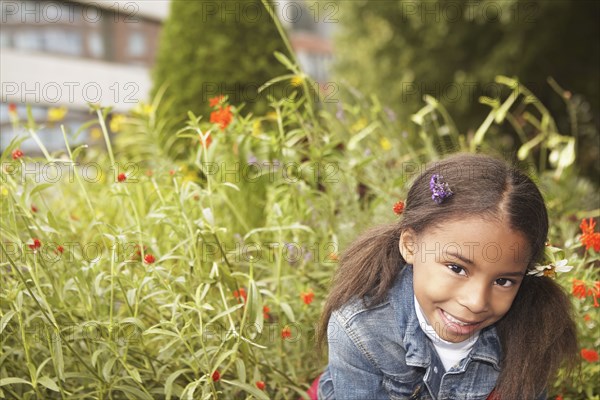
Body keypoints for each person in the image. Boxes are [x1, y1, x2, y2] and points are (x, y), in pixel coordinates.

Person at [316, 153, 578, 400]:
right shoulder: (361, 330)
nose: (476, 302)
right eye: (456, 268)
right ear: (410, 245)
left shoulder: (532, 331)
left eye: (503, 281)